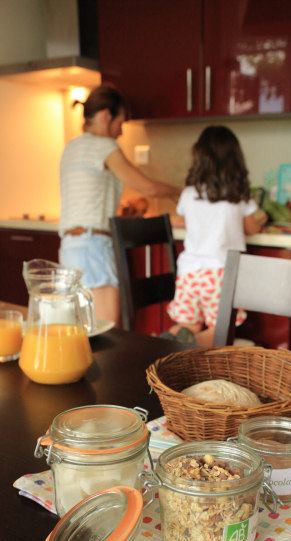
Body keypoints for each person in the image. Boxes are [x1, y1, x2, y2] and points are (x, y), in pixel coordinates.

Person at [58, 85, 181, 327]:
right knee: (106, 329)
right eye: (120, 123)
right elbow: (148, 188)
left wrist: (125, 211)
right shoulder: (104, 146)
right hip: (93, 247)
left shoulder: (71, 147)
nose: (121, 132)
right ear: (106, 116)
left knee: (81, 334)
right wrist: (181, 192)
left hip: (71, 249)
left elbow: (90, 199)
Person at [165, 125, 267, 347]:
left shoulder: (189, 193)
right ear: (235, 160)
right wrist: (262, 218)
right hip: (221, 274)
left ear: (199, 157)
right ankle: (193, 344)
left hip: (189, 274)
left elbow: (190, 219)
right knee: (217, 331)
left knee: (187, 324)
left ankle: (170, 342)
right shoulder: (238, 195)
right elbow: (252, 228)